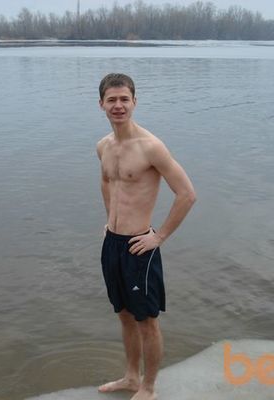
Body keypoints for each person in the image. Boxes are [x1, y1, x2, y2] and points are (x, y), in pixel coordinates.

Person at [96, 73, 196, 400]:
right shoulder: (103, 146)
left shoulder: (151, 147)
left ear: (135, 102)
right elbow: (107, 182)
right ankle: (130, 377)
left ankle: (149, 387)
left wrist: (160, 236)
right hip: (112, 244)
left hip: (140, 247)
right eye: (112, 100)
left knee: (147, 322)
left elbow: (187, 194)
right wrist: (109, 220)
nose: (119, 105)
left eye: (124, 99)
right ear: (101, 104)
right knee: (124, 316)